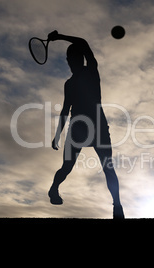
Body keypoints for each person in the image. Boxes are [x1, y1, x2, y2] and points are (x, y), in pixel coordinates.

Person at [46, 30, 124, 219]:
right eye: (69, 59)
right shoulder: (69, 84)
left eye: (73, 58)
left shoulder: (91, 71)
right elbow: (65, 109)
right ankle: (54, 189)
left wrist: (60, 36)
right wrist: (57, 134)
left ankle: (117, 207)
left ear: (80, 59)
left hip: (97, 124)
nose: (70, 62)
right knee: (67, 166)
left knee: (108, 167)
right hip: (79, 127)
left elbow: (83, 42)